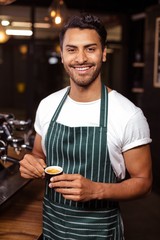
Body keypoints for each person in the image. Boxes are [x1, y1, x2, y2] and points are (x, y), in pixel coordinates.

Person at [20, 13, 152, 240]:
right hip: (51, 228)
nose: (80, 58)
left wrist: (97, 190)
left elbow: (144, 182)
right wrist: (31, 164)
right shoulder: (48, 105)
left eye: (90, 49)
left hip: (99, 231)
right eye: (72, 49)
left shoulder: (127, 114)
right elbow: (39, 154)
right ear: (62, 56)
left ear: (103, 54)